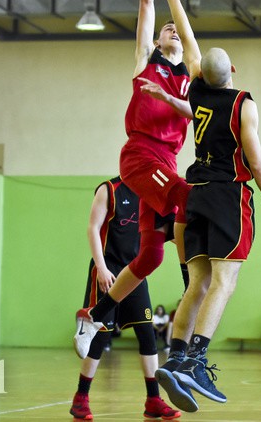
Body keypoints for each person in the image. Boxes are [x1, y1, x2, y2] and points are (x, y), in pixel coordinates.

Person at [73, 0, 200, 359]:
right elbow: (147, 2)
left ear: (182, 40)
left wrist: (169, 100)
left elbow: (199, 112)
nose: (168, 28)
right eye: (164, 28)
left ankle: (96, 314)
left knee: (150, 257)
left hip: (165, 162)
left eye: (174, 28)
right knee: (189, 199)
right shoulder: (147, 62)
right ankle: (194, 300)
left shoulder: (191, 79)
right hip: (140, 157)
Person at [154, 44, 261, 413]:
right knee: (223, 282)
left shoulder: (197, 92)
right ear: (232, 67)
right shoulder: (243, 103)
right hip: (227, 196)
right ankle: (196, 361)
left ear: (200, 73)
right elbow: (257, 163)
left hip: (193, 195)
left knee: (196, 285)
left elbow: (190, 42)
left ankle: (175, 359)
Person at [69, 177, 179, 420]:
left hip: (135, 272)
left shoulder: (151, 195)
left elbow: (168, 233)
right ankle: (81, 398)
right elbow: (93, 228)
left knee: (147, 334)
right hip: (107, 267)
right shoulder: (109, 189)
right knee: (100, 335)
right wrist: (101, 266)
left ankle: (153, 400)